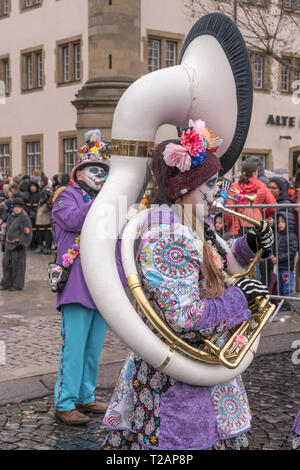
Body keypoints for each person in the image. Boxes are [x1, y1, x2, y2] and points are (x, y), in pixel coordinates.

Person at [102, 120, 273, 450]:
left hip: (202, 367)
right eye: (209, 186)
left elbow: (219, 262)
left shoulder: (194, 224)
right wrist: (239, 298)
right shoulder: (167, 236)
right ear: (183, 189)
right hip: (178, 375)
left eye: (217, 184)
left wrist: (249, 245)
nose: (217, 195)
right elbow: (185, 317)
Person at [52, 129, 110, 426]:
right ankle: (64, 402)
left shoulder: (104, 201)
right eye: (95, 170)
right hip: (75, 284)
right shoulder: (67, 196)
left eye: (103, 171)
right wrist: (102, 202)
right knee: (73, 347)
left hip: (100, 285)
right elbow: (73, 220)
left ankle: (85, 395)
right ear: (79, 172)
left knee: (93, 346)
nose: (100, 175)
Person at [225, 160, 277, 238]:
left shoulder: (235, 187)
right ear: (254, 173)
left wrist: (229, 224)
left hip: (238, 227)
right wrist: (262, 213)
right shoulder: (261, 186)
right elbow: (273, 206)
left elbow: (229, 210)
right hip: (257, 223)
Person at [0, 197, 32, 291]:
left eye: (19, 207)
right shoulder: (10, 217)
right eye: (15, 207)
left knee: (18, 265)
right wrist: (3, 243)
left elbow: (27, 232)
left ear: (22, 208)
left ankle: (17, 284)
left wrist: (23, 244)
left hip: (18, 245)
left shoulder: (24, 218)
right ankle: (7, 283)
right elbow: (6, 231)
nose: (17, 209)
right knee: (6, 264)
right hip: (8, 244)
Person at [273, 211, 298, 302]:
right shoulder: (279, 235)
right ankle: (282, 304)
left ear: (289, 223)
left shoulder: (291, 236)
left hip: (287, 268)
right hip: (279, 267)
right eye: (279, 222)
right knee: (280, 288)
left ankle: (288, 305)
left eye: (283, 222)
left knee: (287, 288)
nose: (280, 224)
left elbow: (291, 252)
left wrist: (278, 258)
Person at [35, 174, 54, 254]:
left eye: (40, 181)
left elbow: (49, 201)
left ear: (43, 182)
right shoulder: (42, 189)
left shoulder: (48, 189)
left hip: (45, 212)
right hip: (41, 212)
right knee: (40, 231)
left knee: (47, 232)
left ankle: (48, 247)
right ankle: (41, 246)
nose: (39, 182)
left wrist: (46, 206)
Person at [23, 180, 40, 250]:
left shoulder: (39, 194)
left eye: (34, 186)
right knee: (28, 230)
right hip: (29, 214)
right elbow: (24, 204)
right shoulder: (27, 194)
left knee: (36, 230)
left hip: (37, 214)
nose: (32, 188)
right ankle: (29, 244)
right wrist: (27, 211)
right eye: (31, 187)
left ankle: (35, 244)